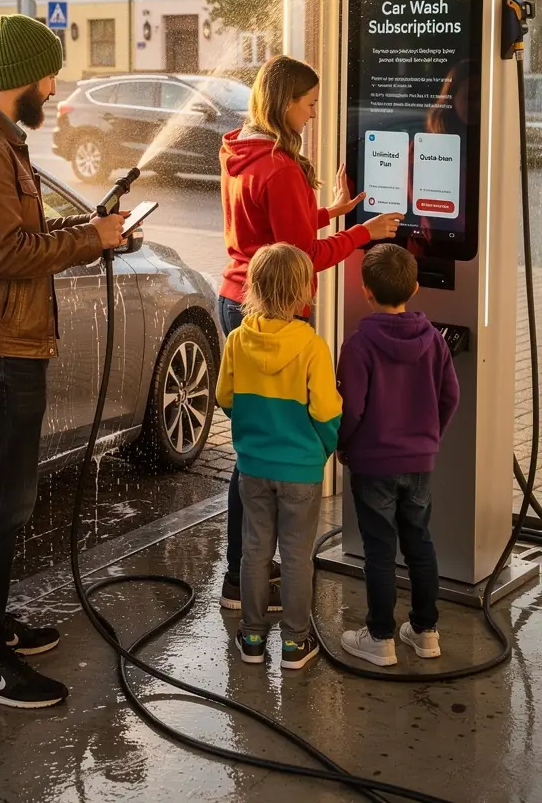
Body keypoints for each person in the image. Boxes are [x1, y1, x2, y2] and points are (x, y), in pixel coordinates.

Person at [0, 14, 125, 710]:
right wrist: (86, 242)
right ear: (22, 79)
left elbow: (20, 234)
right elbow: (3, 255)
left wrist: (91, 232)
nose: (54, 85)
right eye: (49, 73)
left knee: (5, 502)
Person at [218, 55, 402, 612]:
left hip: (236, 302)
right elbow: (302, 257)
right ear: (284, 103)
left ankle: (240, 574)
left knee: (249, 450)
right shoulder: (279, 166)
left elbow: (271, 226)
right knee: (261, 458)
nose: (315, 114)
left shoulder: (240, 151)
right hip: (275, 309)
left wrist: (328, 211)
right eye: (310, 103)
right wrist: (362, 233)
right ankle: (246, 574)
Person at [216, 242, 342, 670]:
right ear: (303, 292)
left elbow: (224, 397)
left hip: (253, 466)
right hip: (301, 471)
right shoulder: (311, 346)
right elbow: (327, 412)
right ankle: (294, 642)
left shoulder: (237, 340)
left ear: (252, 287)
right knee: (296, 556)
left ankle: (251, 639)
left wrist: (252, 428)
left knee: (254, 552)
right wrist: (322, 448)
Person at [337, 244, 460, 666]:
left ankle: (380, 638)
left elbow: (351, 409)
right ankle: (426, 632)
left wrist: (343, 445)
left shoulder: (357, 346)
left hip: (372, 464)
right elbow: (451, 396)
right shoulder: (434, 341)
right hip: (420, 461)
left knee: (379, 549)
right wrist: (429, 438)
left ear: (365, 290)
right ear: (416, 287)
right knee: (420, 543)